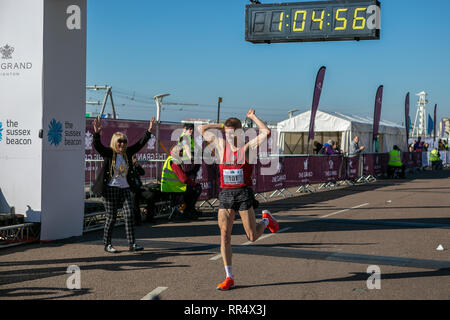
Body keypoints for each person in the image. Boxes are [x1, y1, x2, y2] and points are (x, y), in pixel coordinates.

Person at [198, 109, 278, 291]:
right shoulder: (219, 145)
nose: (228, 136)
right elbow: (202, 129)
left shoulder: (247, 147)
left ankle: (266, 220)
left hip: (243, 194)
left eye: (231, 133)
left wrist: (252, 117)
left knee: (252, 236)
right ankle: (229, 277)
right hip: (226, 194)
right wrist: (221, 125)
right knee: (224, 235)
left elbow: (266, 132)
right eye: (226, 133)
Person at [92, 116, 155, 253]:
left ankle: (132, 244)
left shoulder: (127, 153)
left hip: (125, 189)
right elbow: (98, 146)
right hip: (110, 189)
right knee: (112, 217)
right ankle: (107, 244)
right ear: (115, 142)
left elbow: (139, 144)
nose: (122, 144)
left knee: (129, 215)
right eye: (119, 142)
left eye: (124, 142)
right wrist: (97, 133)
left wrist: (149, 131)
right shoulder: (109, 153)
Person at [161, 144, 202, 219]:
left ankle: (190, 210)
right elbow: (184, 179)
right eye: (181, 152)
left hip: (172, 186)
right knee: (196, 189)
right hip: (173, 188)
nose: (182, 153)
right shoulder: (174, 161)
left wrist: (193, 171)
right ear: (176, 152)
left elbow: (182, 175)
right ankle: (188, 211)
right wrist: (194, 184)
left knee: (192, 188)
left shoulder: (172, 159)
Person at [130, 154, 146, 225]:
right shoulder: (127, 167)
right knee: (134, 197)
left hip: (139, 188)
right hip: (132, 189)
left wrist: (137, 165)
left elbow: (142, 173)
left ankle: (150, 217)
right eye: (133, 158)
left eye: (135, 158)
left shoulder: (136, 167)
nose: (135, 160)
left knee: (151, 195)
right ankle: (137, 220)